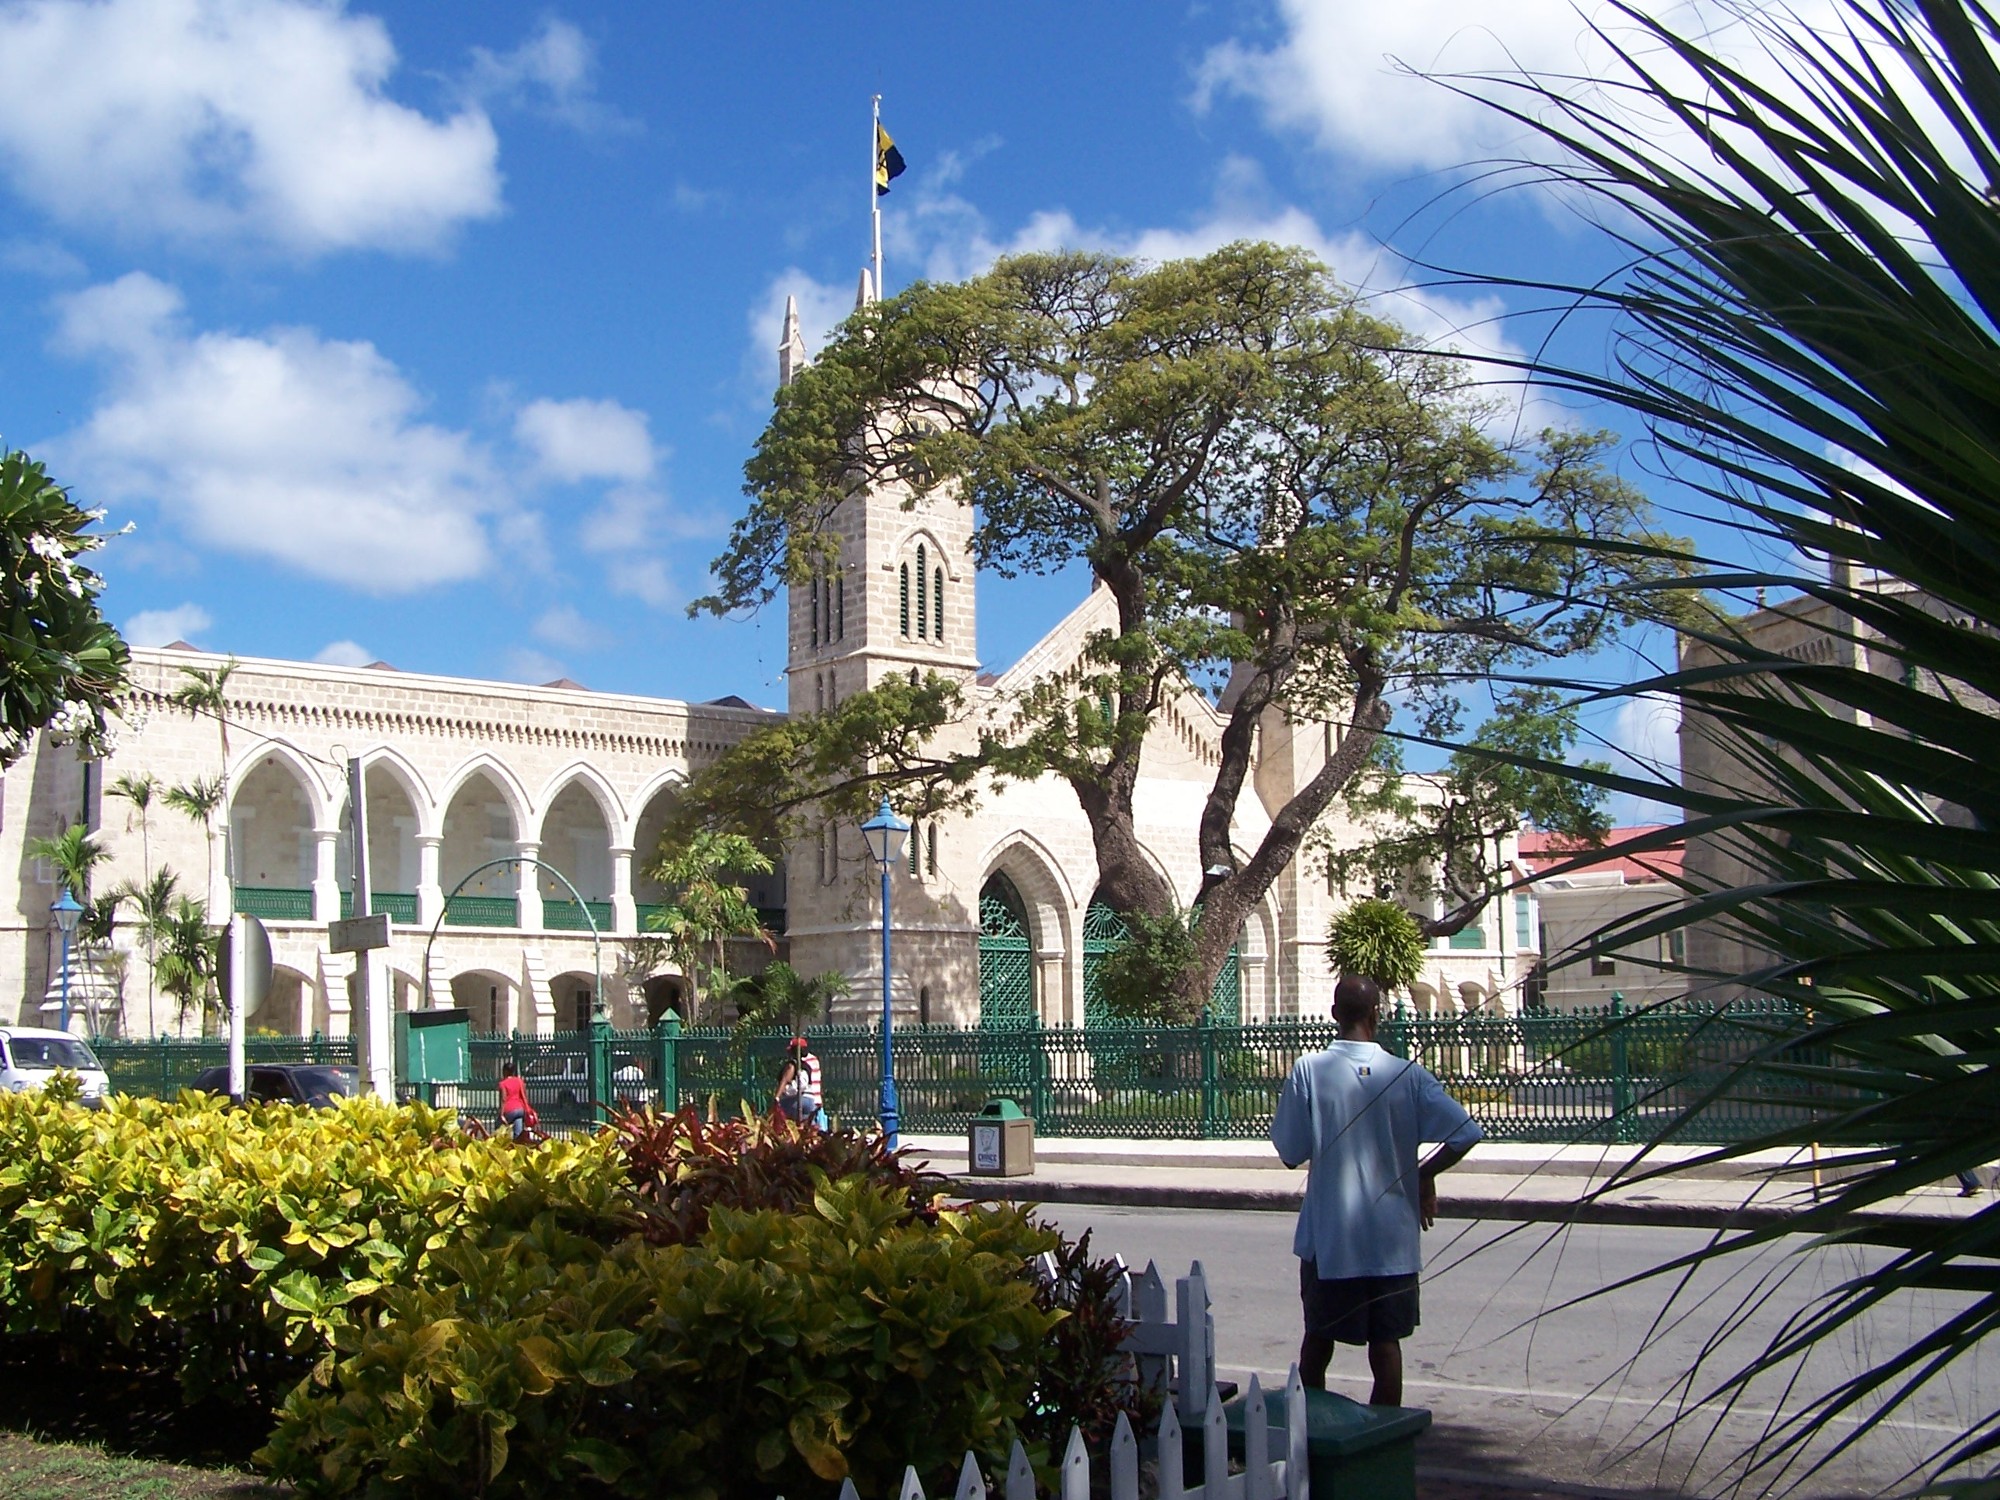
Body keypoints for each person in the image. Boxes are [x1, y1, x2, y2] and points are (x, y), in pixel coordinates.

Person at [1271, 973, 1484, 1406]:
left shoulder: (1309, 1071)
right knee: (1386, 1346)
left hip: (1330, 1242)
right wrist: (1424, 1174)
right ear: (1377, 1015)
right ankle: (1385, 1440)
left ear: (1334, 1015)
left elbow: (1291, 1152)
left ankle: (1310, 1434)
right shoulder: (1407, 1074)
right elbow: (1465, 1132)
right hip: (1392, 1243)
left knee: (1318, 1341)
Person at [774, 1036, 825, 1128]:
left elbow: (785, 1080)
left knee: (785, 1124)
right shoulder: (810, 1064)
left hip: (795, 1101)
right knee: (807, 1127)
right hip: (810, 1100)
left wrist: (778, 1096)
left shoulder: (791, 1065)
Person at [498, 1061, 531, 1140]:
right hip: (520, 1109)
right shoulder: (519, 1081)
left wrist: (501, 1114)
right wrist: (527, 1109)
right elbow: (524, 1096)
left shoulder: (503, 1084)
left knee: (499, 1126)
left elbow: (503, 1099)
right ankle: (517, 1143)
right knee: (518, 1131)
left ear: (505, 1071)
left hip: (509, 1110)